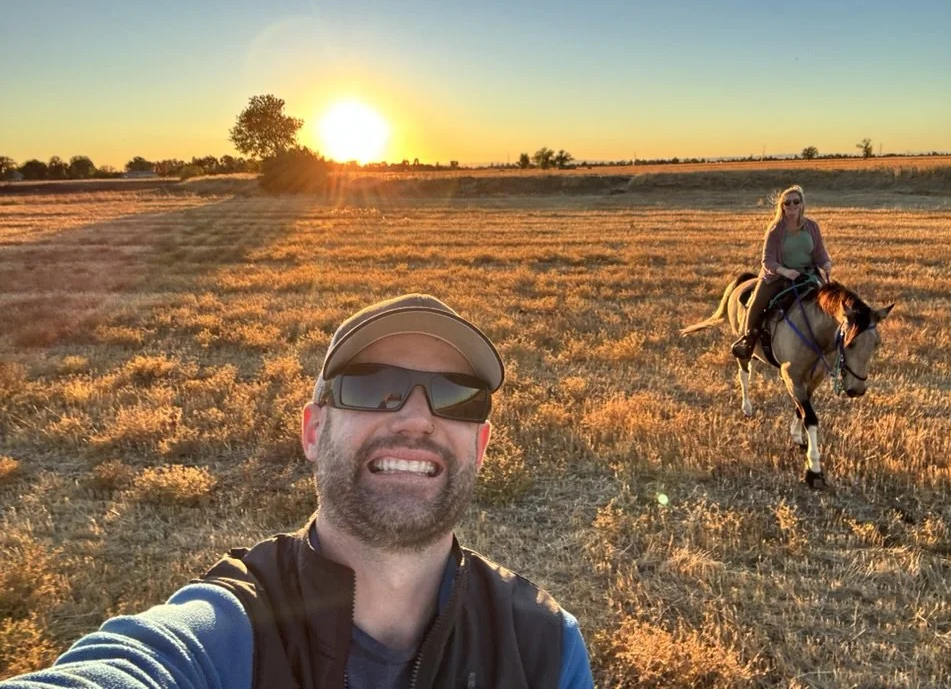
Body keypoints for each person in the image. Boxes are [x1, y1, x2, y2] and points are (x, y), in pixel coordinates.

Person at [4, 294, 594, 689]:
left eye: (457, 395)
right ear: (313, 430)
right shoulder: (230, 631)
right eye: (374, 387)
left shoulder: (544, 645)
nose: (417, 420)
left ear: (481, 444)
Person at [731, 185, 833, 359]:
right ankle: (748, 340)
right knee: (756, 304)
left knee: (832, 303)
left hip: (807, 275)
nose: (791, 206)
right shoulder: (776, 229)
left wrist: (826, 262)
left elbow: (819, 252)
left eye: (796, 202)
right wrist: (785, 272)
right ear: (782, 206)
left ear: (802, 204)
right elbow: (767, 260)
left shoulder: (812, 227)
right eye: (787, 203)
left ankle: (835, 342)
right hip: (777, 276)